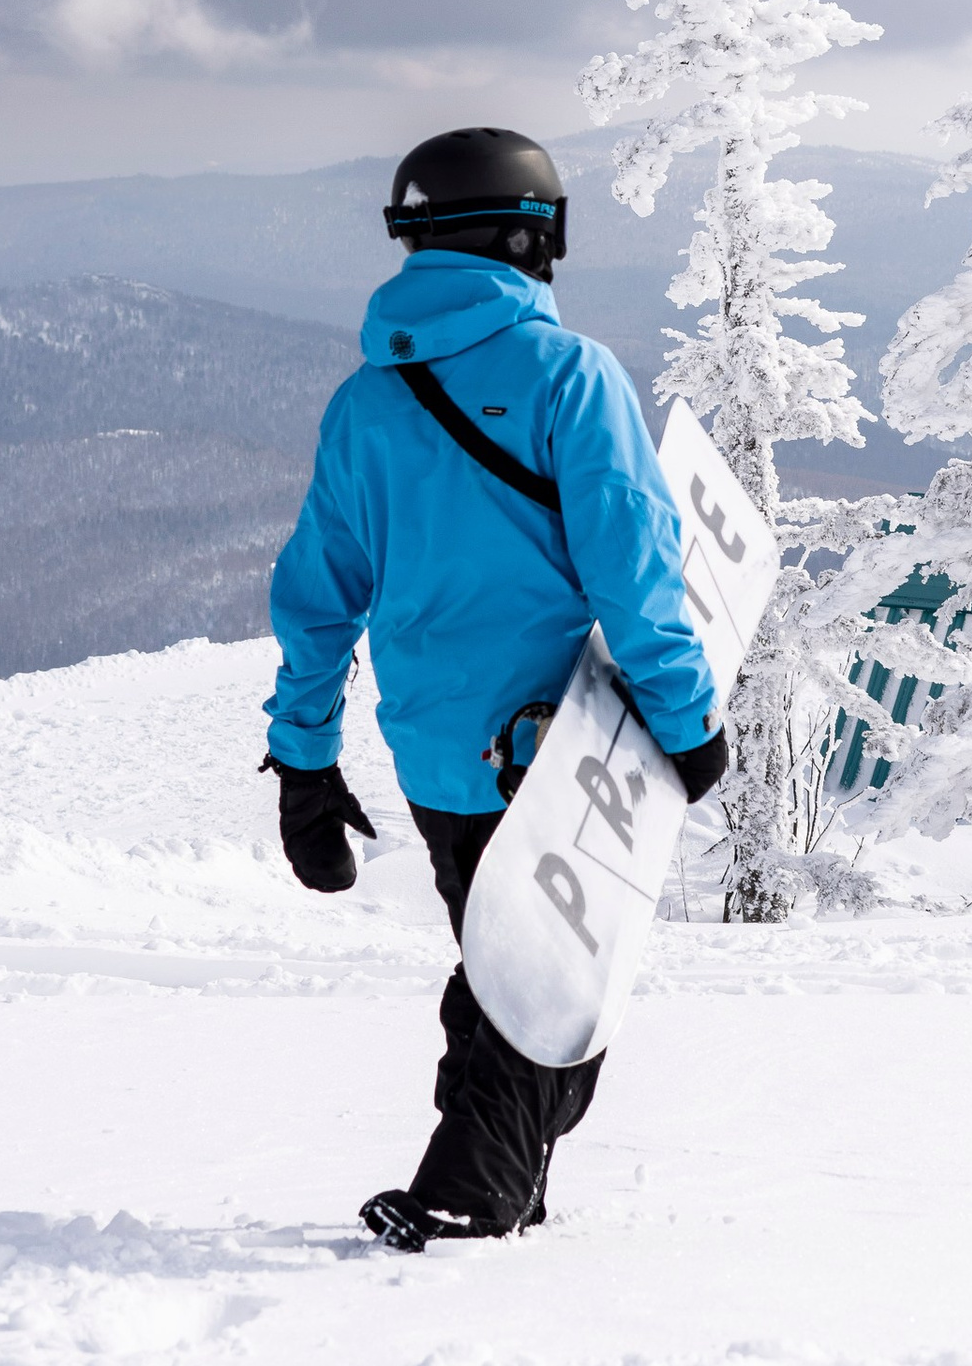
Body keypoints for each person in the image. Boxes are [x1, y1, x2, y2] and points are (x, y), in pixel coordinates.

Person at [262, 125, 727, 1251]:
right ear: (531, 234)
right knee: (545, 990)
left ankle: (490, 1181)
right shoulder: (571, 377)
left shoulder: (364, 406)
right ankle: (472, 1196)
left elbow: (317, 596)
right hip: (559, 743)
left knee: (504, 965)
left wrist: (307, 766)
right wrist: (688, 722)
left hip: (437, 753)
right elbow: (637, 569)